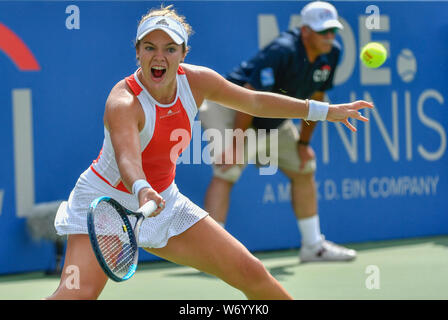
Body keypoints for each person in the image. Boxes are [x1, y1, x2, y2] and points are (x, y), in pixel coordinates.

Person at [47, 4, 372, 300]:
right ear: (137, 52)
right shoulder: (123, 101)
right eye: (150, 47)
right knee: (77, 295)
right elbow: (127, 157)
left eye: (170, 49)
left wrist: (323, 111)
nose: (159, 57)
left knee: (252, 274)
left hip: (166, 203)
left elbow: (256, 101)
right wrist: (142, 189)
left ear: (183, 54)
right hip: (106, 204)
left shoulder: (197, 81)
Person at [199, 1, 357, 262]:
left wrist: (303, 144)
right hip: (233, 109)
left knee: (304, 169)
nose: (330, 37)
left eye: (333, 31)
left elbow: (317, 96)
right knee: (226, 171)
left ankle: (313, 246)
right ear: (305, 30)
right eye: (323, 31)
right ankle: (212, 255)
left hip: (273, 118)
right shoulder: (283, 51)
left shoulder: (332, 53)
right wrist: (236, 141)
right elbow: (250, 95)